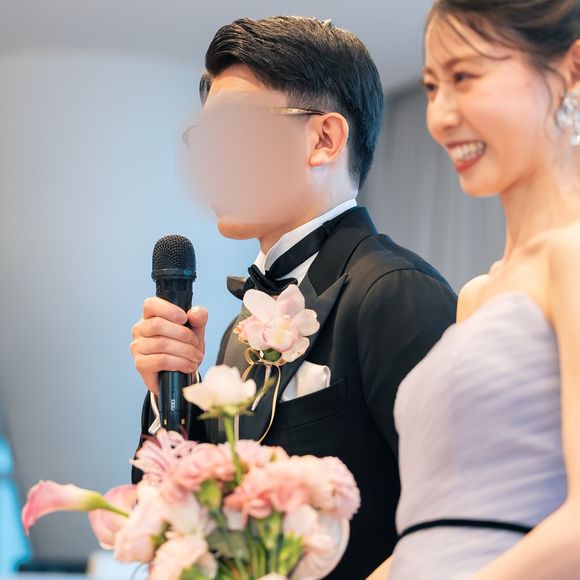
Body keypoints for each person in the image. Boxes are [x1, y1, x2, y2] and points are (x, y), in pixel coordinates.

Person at [129, 16, 457, 578]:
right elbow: (179, 522)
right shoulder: (238, 331)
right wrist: (167, 396)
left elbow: (457, 521)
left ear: (324, 139)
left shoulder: (394, 292)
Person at [371, 1, 580, 578]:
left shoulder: (572, 255)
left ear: (572, 70)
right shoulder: (476, 295)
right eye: (432, 87)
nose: (439, 116)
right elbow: (437, 528)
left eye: (463, 77)